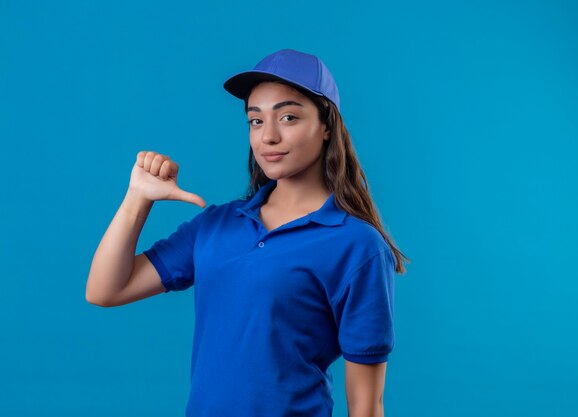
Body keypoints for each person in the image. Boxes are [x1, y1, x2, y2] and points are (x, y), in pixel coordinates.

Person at [86, 48, 408, 417]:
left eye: (288, 117)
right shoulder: (217, 224)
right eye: (256, 121)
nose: (268, 136)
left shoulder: (358, 245)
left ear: (327, 126)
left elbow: (366, 405)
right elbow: (104, 290)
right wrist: (137, 199)